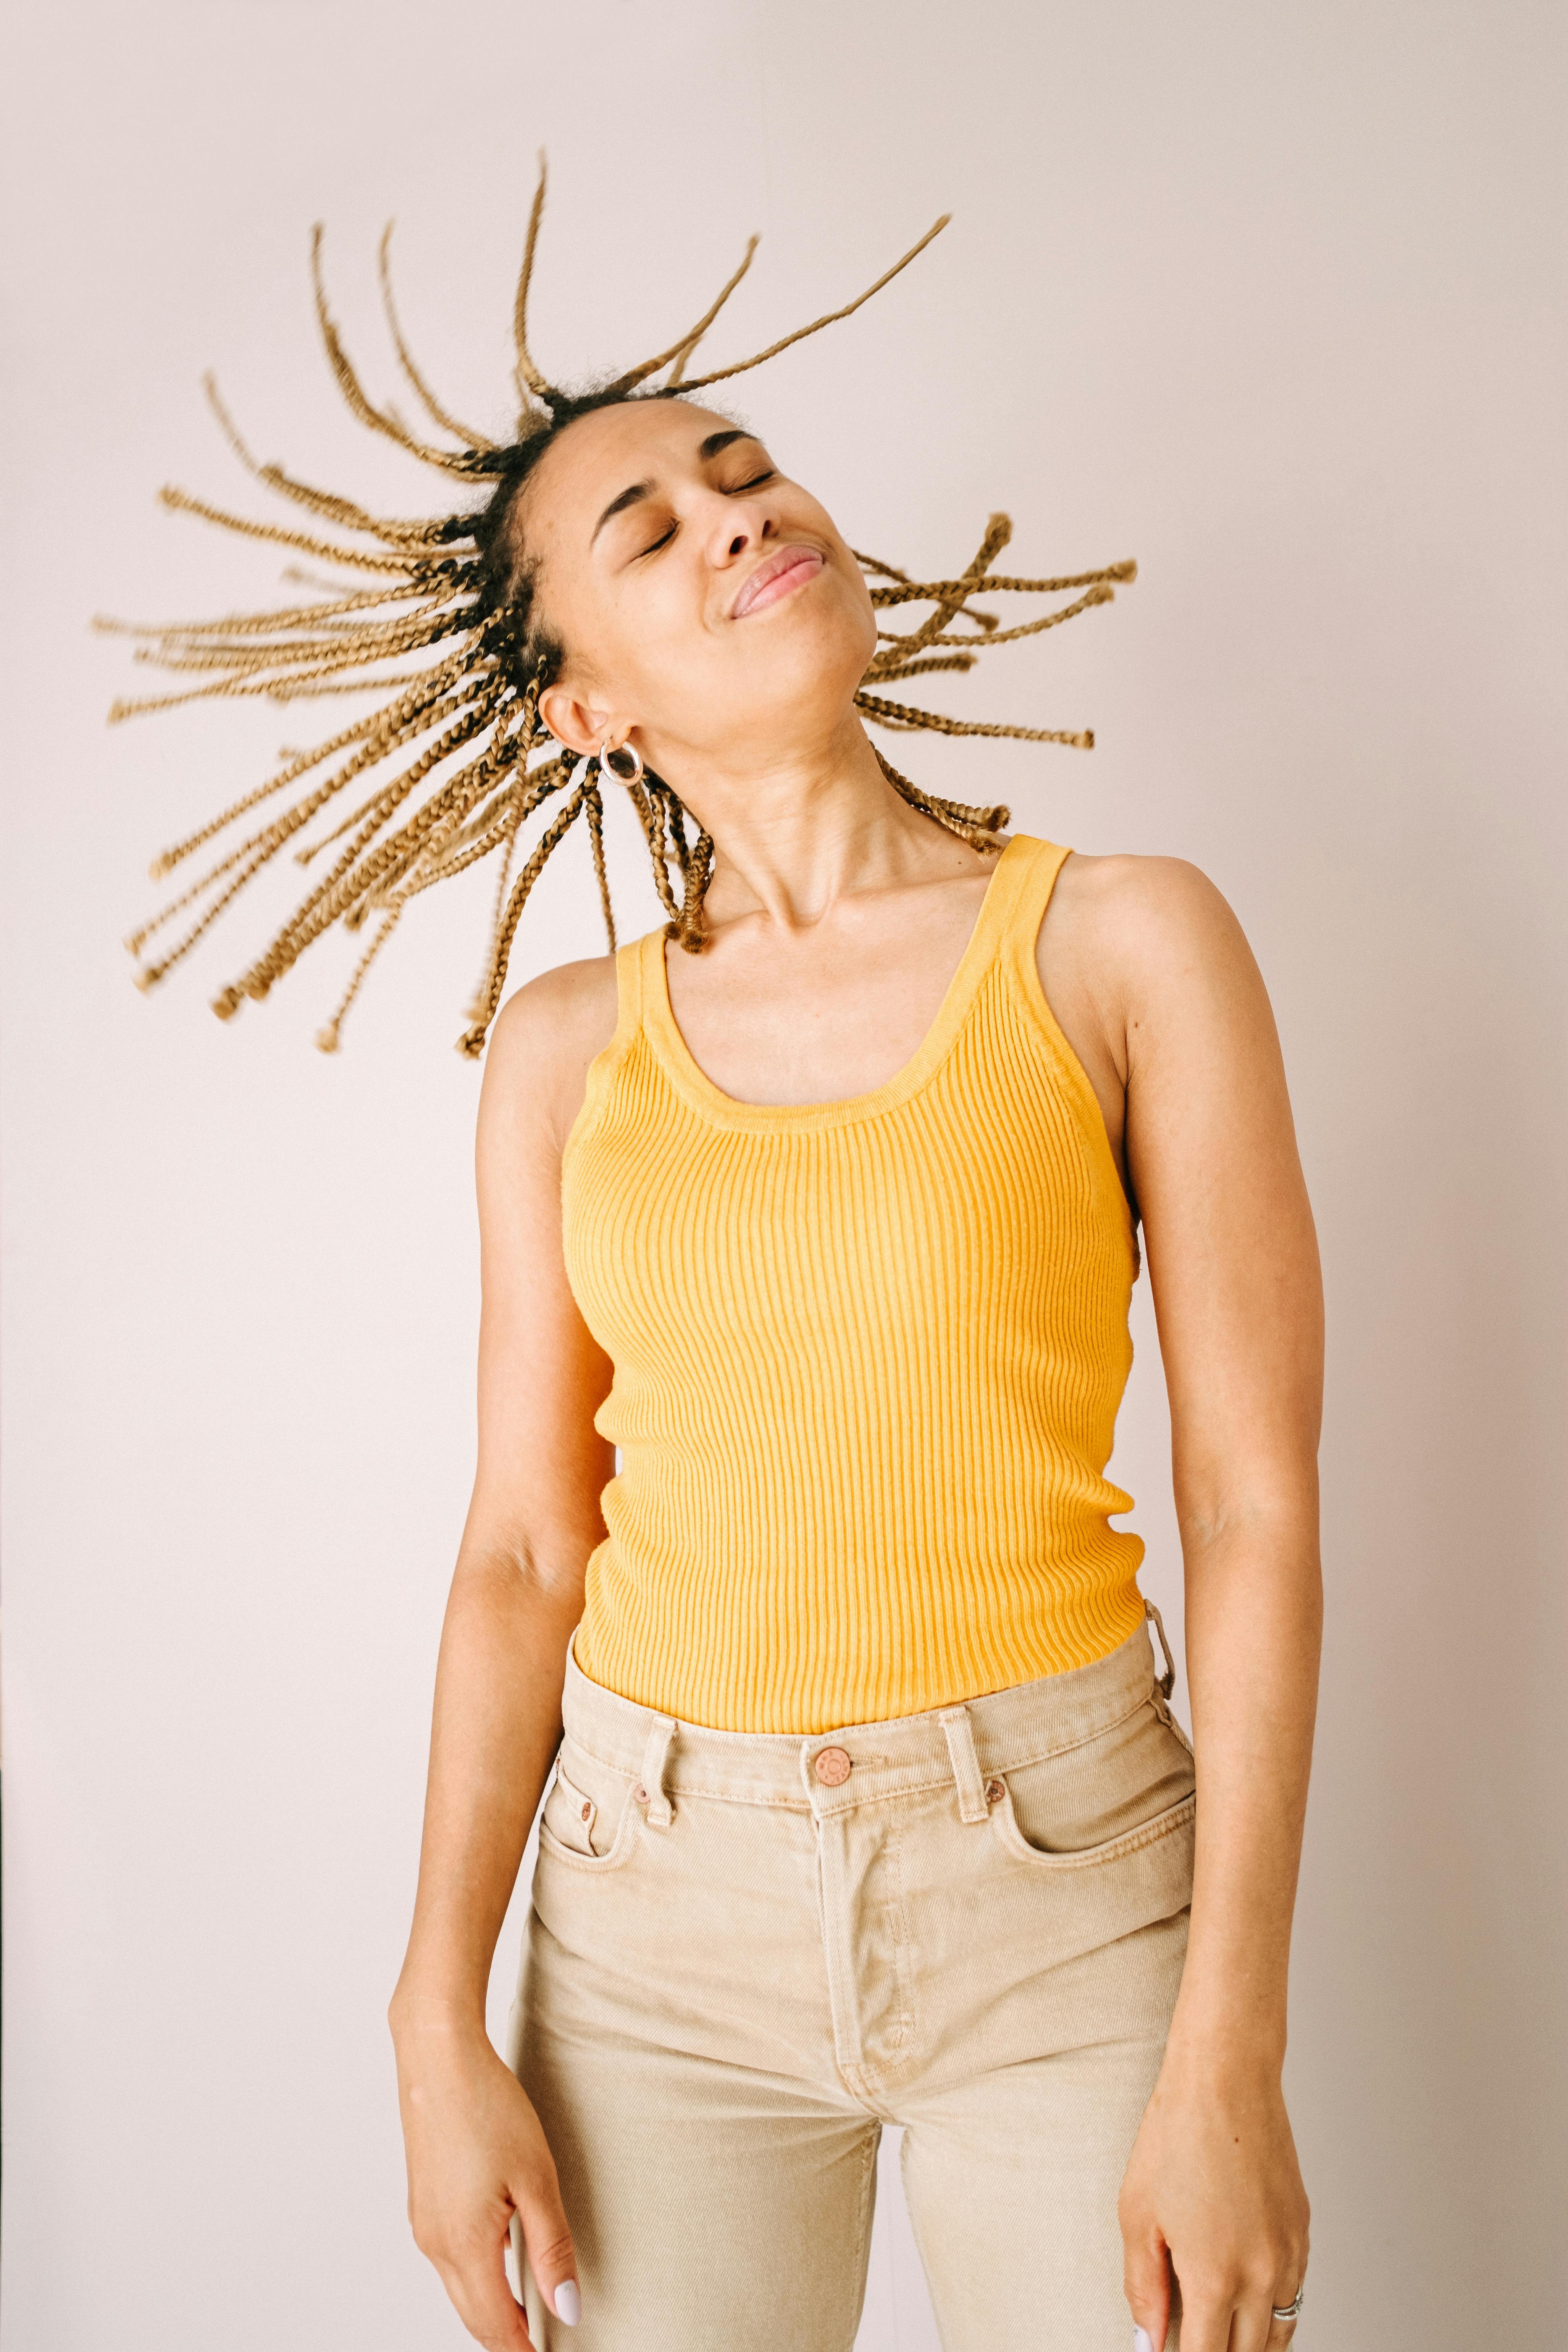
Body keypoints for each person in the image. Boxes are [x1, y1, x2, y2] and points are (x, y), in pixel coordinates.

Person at [107, 168, 1321, 2352]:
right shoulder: (567, 1052)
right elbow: (515, 1552)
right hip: (654, 1917)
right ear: (586, 707)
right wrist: (429, 2012)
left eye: (741, 473)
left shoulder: (1127, 941)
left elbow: (1253, 1506)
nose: (736, 515)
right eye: (649, 535)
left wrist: (1229, 2047)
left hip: (1063, 1885)